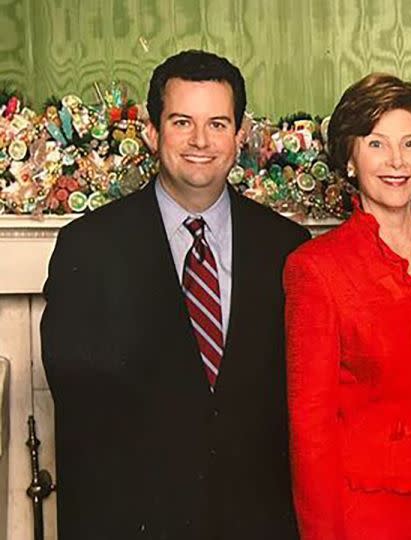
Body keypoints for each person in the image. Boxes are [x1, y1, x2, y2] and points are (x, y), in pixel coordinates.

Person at [40, 50, 309, 539]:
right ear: (151, 131)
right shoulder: (90, 247)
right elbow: (82, 407)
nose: (201, 141)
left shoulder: (287, 248)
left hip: (257, 521)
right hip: (137, 520)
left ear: (240, 134)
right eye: (182, 121)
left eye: (218, 124)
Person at [284, 73, 411, 540]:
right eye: (376, 144)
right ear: (349, 158)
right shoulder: (316, 268)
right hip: (370, 516)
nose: (396, 161)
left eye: (410, 143)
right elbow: (311, 432)